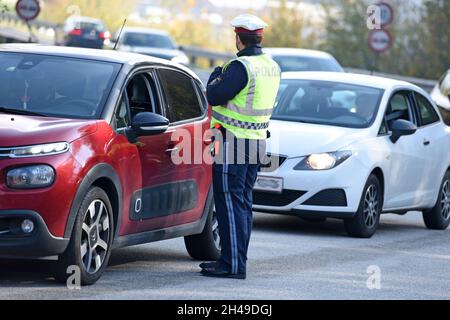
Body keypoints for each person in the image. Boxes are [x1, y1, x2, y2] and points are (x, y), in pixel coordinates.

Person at [200, 14, 281, 279]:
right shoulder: (271, 65)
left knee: (228, 204)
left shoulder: (240, 66)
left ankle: (232, 265)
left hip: (233, 142)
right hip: (256, 142)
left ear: (238, 38)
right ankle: (234, 260)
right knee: (243, 204)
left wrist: (216, 74)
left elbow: (213, 94)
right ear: (261, 37)